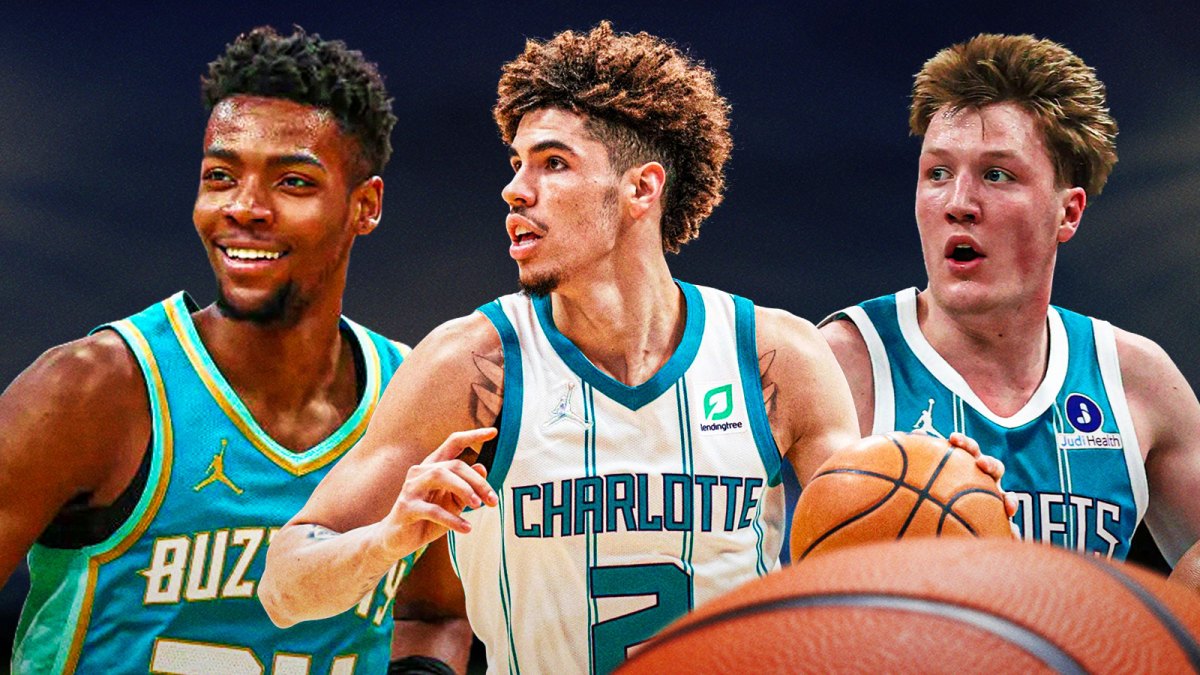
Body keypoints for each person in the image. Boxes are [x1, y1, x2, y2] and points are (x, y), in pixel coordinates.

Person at [258, 22, 1006, 674]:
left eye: (552, 163)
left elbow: (869, 554)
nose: (515, 190)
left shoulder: (776, 359)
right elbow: (284, 586)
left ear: (642, 188)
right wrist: (387, 540)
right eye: (515, 164)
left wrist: (941, 500)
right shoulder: (469, 365)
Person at [0, 26, 470, 674]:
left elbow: (435, 612)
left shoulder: (415, 393)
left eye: (292, 182)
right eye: (221, 175)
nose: (243, 207)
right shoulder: (92, 390)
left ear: (365, 205)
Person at [819, 34, 1200, 566]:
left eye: (996, 174)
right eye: (937, 173)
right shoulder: (841, 363)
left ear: (1068, 213)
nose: (958, 203)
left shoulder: (1137, 379)